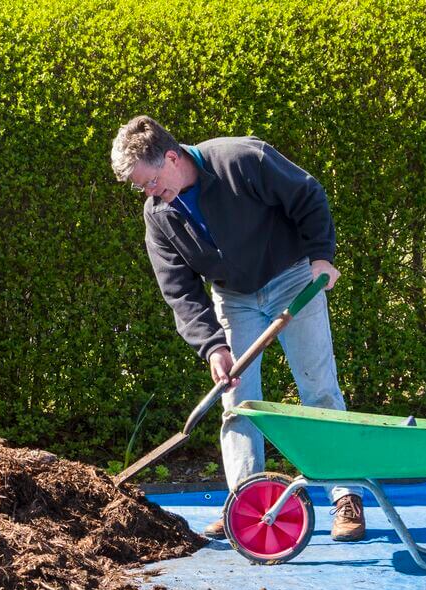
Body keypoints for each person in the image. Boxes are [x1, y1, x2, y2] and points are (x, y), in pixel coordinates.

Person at [110, 115, 364, 542]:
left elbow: (307, 195)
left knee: (318, 388)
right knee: (237, 399)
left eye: (150, 182)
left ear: (171, 158)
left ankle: (346, 498)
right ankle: (248, 505)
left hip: (291, 278)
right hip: (233, 296)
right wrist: (212, 347)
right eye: (141, 189)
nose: (149, 194)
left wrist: (321, 256)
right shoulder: (158, 214)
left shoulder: (241, 159)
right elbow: (180, 290)